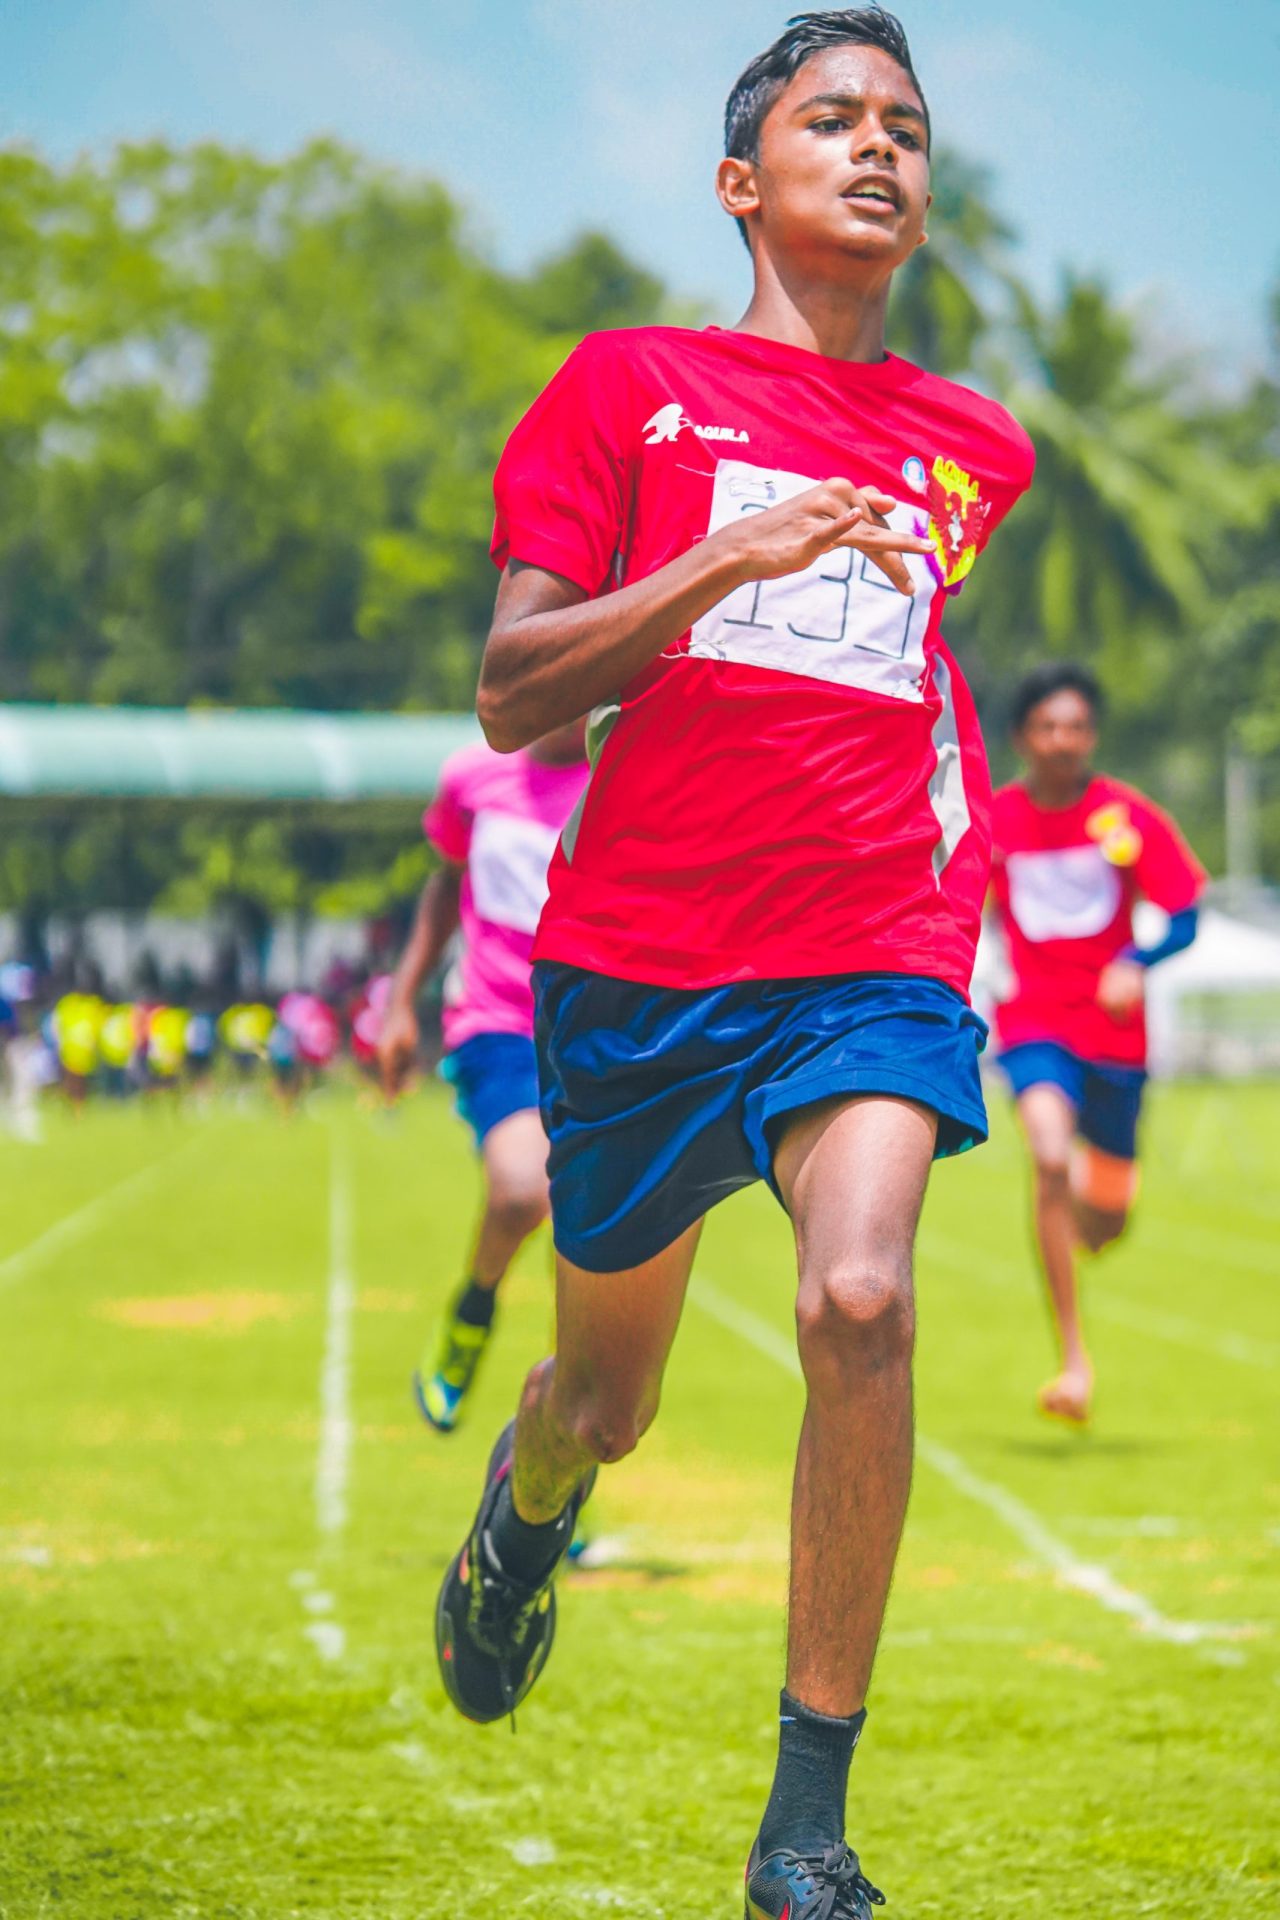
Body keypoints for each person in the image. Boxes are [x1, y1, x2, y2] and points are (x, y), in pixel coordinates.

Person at [432, 11, 1035, 1916]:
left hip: (869, 948)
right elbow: (516, 694)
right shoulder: (627, 388)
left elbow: (900, 684)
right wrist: (726, 561)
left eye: (908, 128)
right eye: (833, 118)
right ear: (739, 180)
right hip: (638, 973)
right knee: (609, 1401)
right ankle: (528, 1508)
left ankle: (803, 1830)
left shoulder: (972, 450)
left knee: (860, 1301)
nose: (880, 148)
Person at [989, 662, 1204, 1425]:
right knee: (1048, 1157)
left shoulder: (1125, 817)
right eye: (1048, 726)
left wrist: (1135, 961)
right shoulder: (997, 821)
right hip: (1034, 1024)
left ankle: (1089, 1195)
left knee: (1105, 1225)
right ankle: (1072, 1361)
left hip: (1114, 1037)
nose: (1063, 741)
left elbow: (1185, 913)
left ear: (1092, 736)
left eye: (1076, 727)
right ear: (1022, 737)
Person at [378, 721, 589, 1433]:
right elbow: (445, 884)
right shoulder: (474, 778)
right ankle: (470, 1317)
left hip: (595, 1035)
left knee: (585, 1245)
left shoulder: (624, 779)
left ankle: (557, 1466)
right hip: (498, 1023)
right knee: (523, 1190)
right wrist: (401, 1002)